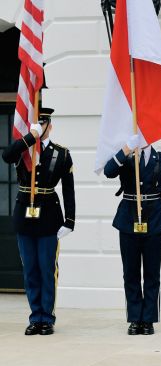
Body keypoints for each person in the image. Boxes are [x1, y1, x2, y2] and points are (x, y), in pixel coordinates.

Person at [2, 107, 75, 336]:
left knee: (47, 268)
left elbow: (69, 190)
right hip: (24, 216)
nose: (39, 128)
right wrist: (29, 138)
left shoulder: (61, 153)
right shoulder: (23, 149)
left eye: (42, 125)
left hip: (48, 218)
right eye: (36, 125)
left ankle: (47, 317)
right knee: (30, 269)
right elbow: (6, 156)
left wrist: (70, 220)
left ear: (49, 126)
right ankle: (35, 317)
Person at [104, 133, 161, 335]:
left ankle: (149, 319)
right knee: (131, 272)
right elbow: (108, 172)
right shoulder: (125, 156)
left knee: (152, 273)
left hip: (154, 219)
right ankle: (135, 318)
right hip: (128, 219)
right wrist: (126, 148)